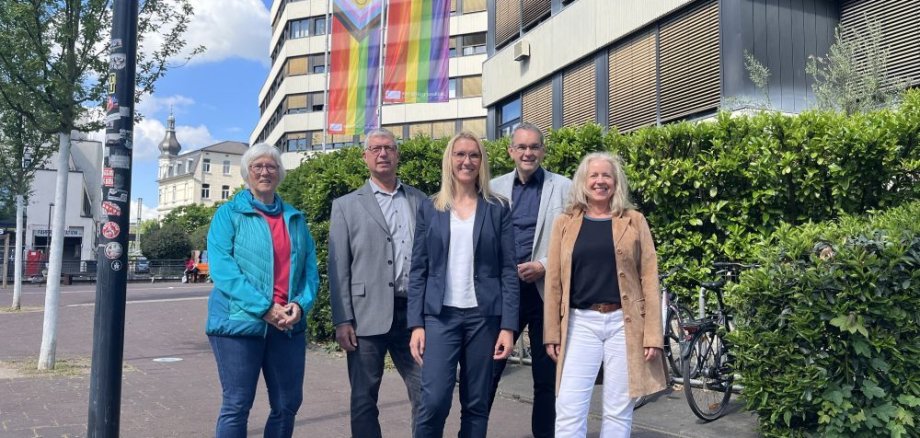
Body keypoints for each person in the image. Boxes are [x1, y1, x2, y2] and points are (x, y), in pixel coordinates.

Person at [543, 152, 666, 437]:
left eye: (606, 175)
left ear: (616, 181)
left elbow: (649, 278)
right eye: (594, 175)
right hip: (579, 323)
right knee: (569, 407)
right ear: (583, 182)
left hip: (624, 324)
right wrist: (552, 333)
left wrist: (652, 336)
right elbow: (553, 282)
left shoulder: (634, 220)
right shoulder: (564, 222)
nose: (600, 181)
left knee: (618, 409)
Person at [408, 132, 519, 438]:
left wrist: (508, 327)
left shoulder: (498, 207)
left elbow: (508, 271)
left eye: (474, 155)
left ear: (481, 162)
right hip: (440, 316)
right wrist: (416, 324)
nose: (466, 161)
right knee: (433, 401)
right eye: (460, 154)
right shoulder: (431, 207)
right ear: (450, 160)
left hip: (484, 318)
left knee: (476, 403)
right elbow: (418, 269)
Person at [205, 143, 319, 438]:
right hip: (239, 323)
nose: (265, 172)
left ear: (279, 173)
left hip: (287, 325)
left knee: (287, 404)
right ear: (247, 173)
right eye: (258, 166)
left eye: (271, 166)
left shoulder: (295, 218)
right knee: (237, 404)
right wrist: (265, 308)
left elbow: (310, 271)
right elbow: (223, 269)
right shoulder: (228, 214)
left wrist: (300, 305)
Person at [328, 128, 426, 437]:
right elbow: (338, 266)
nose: (383, 153)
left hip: (413, 315)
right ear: (365, 157)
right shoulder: (345, 205)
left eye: (389, 148)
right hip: (365, 315)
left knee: (426, 392)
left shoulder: (421, 200)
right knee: (363, 398)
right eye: (375, 149)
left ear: (397, 154)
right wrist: (342, 319)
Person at [488, 122, 571, 437]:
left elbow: (574, 239)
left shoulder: (563, 187)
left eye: (534, 147)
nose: (528, 153)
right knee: (488, 371)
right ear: (511, 151)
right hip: (504, 293)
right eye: (521, 147)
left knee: (546, 379)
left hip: (544, 293)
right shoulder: (492, 188)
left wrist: (544, 265)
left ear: (543, 151)